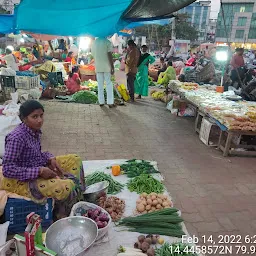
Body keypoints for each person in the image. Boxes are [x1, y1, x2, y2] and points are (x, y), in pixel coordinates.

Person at [0, 100, 84, 218]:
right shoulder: (16, 138)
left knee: (74, 159)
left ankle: (76, 197)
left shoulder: (34, 132)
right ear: (24, 119)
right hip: (20, 180)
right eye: (34, 116)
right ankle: (62, 212)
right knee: (65, 187)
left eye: (41, 115)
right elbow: (8, 169)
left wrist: (50, 159)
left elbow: (36, 155)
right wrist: (39, 171)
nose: (40, 120)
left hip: (35, 167)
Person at [91, 37, 115, 107]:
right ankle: (110, 102)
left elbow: (93, 54)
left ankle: (101, 101)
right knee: (108, 84)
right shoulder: (107, 42)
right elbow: (109, 54)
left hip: (98, 66)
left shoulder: (94, 43)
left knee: (100, 84)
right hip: (106, 66)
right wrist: (112, 66)